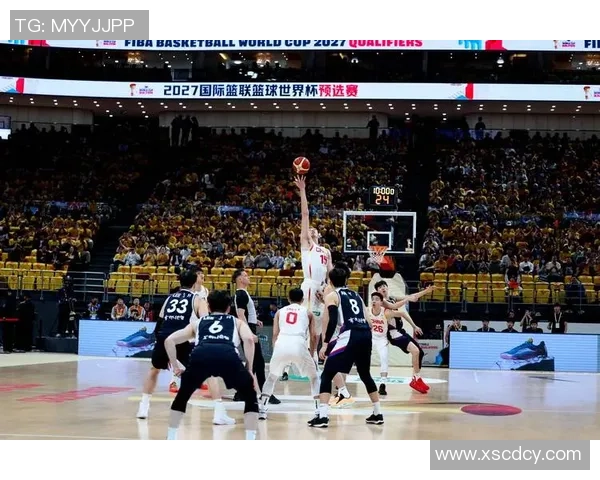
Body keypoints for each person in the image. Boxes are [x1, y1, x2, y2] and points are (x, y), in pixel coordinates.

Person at [136, 269, 234, 425]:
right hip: (183, 340)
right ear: (194, 282)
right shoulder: (197, 299)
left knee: (154, 370)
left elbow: (160, 322)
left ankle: (143, 408)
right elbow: (206, 323)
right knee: (210, 373)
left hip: (164, 338)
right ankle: (219, 413)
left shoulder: (169, 298)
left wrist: (163, 345)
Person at [163, 290, 260, 440]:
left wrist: (176, 367)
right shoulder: (237, 322)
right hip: (227, 355)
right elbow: (248, 340)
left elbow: (169, 340)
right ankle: (250, 438)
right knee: (250, 395)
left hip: (200, 355)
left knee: (182, 396)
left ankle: (171, 436)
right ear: (229, 308)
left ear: (208, 307)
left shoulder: (198, 322)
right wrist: (249, 368)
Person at [295, 175, 352, 406]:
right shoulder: (306, 245)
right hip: (309, 287)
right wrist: (303, 190)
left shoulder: (326, 251)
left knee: (319, 333)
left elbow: (331, 276)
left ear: (319, 235)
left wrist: (327, 291)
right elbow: (305, 214)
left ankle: (317, 362)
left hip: (322, 290)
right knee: (305, 327)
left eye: (314, 230)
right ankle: (302, 363)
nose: (311, 231)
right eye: (309, 230)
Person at [308, 263, 383, 428]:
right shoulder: (357, 296)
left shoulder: (332, 295)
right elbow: (370, 323)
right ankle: (378, 413)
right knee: (365, 374)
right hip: (366, 334)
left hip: (350, 334)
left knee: (327, 373)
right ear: (346, 280)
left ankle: (323, 416)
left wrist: (325, 344)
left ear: (330, 281)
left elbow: (333, 320)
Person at [259, 288, 320, 419]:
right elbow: (314, 336)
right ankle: (318, 410)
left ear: (288, 298)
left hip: (281, 342)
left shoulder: (279, 312)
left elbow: (275, 334)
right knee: (314, 377)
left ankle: (262, 410)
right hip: (298, 343)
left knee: (271, 377)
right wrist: (312, 353)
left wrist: (276, 350)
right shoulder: (308, 313)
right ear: (302, 300)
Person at [232, 269, 280, 404]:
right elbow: (240, 315)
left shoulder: (243, 293)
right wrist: (249, 332)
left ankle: (241, 392)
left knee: (253, 363)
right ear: (239, 279)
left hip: (249, 328)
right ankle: (265, 394)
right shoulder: (241, 294)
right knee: (258, 362)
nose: (248, 277)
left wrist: (254, 320)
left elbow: (246, 313)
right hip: (247, 331)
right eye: (245, 276)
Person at [369, 292, 422, 396]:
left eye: (376, 299)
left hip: (382, 339)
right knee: (359, 355)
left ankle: (383, 384)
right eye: (373, 299)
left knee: (384, 359)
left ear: (381, 302)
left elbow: (402, 313)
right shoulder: (367, 310)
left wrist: (414, 326)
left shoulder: (386, 312)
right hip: (371, 337)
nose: (374, 301)